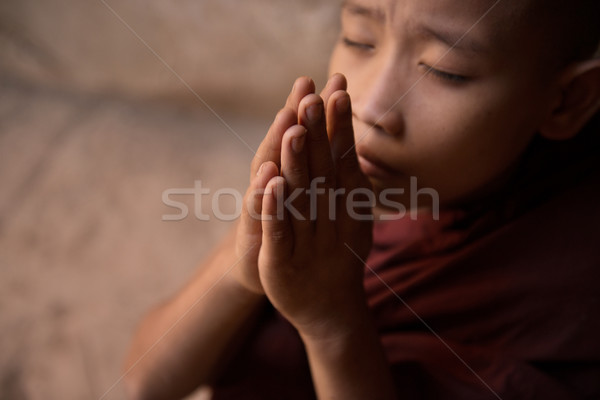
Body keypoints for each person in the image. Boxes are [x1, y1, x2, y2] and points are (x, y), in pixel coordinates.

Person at [122, 0, 600, 398]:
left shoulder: (569, 286)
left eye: (444, 70)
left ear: (567, 100)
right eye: (358, 39)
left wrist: (332, 319)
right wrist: (241, 263)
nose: (371, 107)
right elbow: (146, 383)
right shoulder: (330, 194)